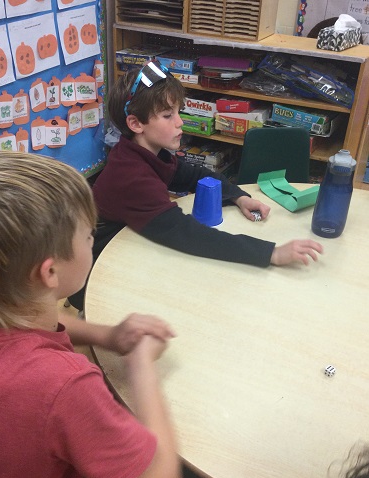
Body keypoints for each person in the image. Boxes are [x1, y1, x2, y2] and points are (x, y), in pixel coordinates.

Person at [0, 151, 184, 478]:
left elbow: (22, 329)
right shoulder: (63, 385)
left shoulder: (6, 306)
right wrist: (141, 365)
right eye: (87, 237)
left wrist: (107, 336)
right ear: (50, 272)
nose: (92, 242)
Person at [68, 61, 323, 311]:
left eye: (178, 111)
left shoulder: (147, 151)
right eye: (168, 116)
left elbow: (194, 174)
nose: (180, 122)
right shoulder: (131, 176)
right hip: (94, 275)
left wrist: (238, 196)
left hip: (130, 250)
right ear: (136, 124)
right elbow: (189, 235)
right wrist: (271, 253)